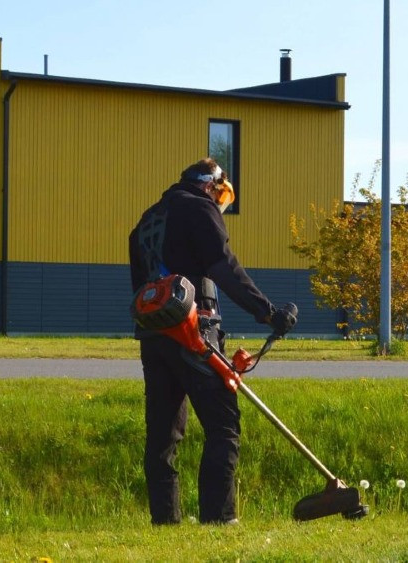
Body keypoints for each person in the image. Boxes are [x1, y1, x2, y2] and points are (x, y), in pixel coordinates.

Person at [128, 157, 297, 525]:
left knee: (163, 434)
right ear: (213, 186)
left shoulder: (145, 221)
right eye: (222, 195)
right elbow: (224, 267)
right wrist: (267, 312)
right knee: (223, 425)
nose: (221, 204)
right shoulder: (199, 208)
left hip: (153, 337)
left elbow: (139, 291)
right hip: (194, 332)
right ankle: (219, 519)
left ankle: (165, 520)